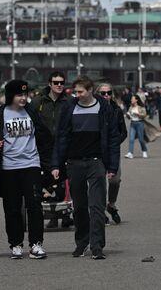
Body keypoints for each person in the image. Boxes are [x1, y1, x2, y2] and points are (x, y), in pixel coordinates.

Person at [0, 80, 53, 260]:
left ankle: (36, 245)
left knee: (35, 206)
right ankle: (16, 244)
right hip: (9, 168)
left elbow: (45, 136)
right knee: (12, 208)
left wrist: (50, 163)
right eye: (19, 95)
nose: (23, 98)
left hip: (31, 165)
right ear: (10, 96)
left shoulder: (31, 112)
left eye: (25, 94)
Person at [50, 75, 120, 260]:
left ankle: (97, 246)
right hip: (74, 163)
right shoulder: (69, 107)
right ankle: (81, 243)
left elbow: (113, 138)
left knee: (96, 206)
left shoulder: (103, 108)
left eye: (80, 91)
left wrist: (112, 166)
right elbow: (61, 137)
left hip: (96, 161)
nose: (77, 95)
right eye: (75, 91)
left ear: (90, 91)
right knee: (79, 206)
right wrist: (56, 164)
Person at [29, 71, 70, 229]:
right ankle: (52, 215)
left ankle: (65, 214)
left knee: (64, 181)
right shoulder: (37, 102)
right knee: (45, 180)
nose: (59, 85)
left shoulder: (69, 102)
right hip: (43, 149)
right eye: (56, 82)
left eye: (61, 82)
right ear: (49, 83)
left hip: (63, 148)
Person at [96, 83, 128, 224]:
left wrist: (114, 143)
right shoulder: (94, 110)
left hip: (112, 151)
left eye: (108, 93)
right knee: (99, 183)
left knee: (114, 180)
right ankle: (101, 210)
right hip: (97, 152)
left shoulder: (116, 110)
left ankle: (111, 204)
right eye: (103, 93)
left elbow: (124, 132)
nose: (106, 96)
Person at [125, 94, 148, 159]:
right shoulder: (130, 107)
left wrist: (138, 114)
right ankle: (130, 153)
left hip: (140, 123)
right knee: (131, 139)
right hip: (133, 123)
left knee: (141, 139)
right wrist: (128, 115)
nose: (131, 100)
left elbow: (144, 115)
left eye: (132, 99)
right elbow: (129, 117)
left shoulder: (141, 107)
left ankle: (144, 150)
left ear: (136, 100)